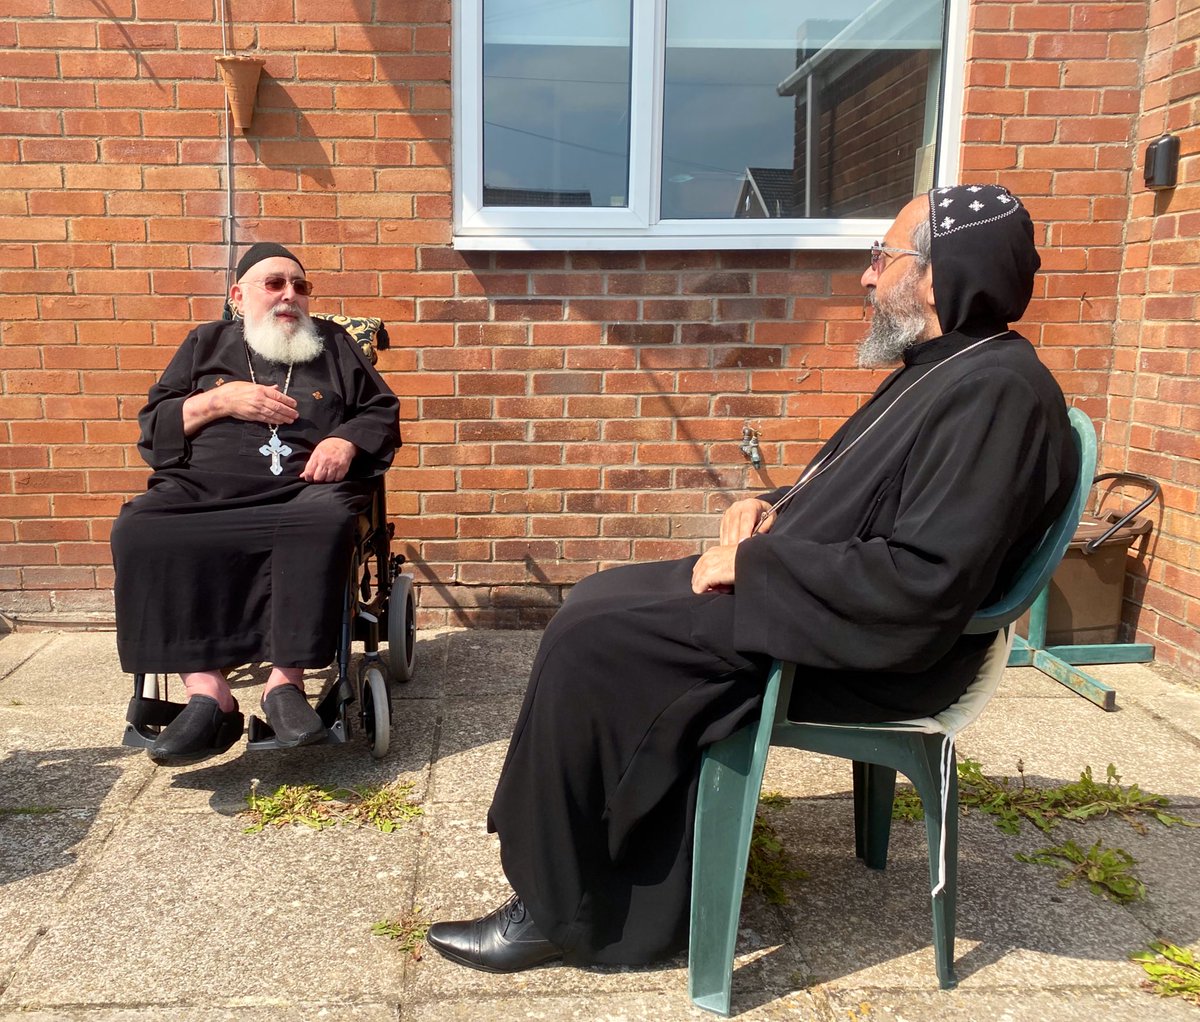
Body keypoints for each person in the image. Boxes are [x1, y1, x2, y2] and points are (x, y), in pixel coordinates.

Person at [426, 185, 1080, 972]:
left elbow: (926, 577)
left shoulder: (997, 392)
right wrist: (767, 509)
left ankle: (569, 912)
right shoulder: (945, 368)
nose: (868, 279)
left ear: (938, 278)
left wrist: (760, 564)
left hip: (875, 649)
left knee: (593, 638)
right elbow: (857, 496)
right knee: (600, 596)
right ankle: (579, 863)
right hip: (816, 598)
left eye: (883, 257)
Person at [110, 243, 401, 765]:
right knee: (140, 527)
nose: (290, 295)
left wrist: (346, 440)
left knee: (325, 522)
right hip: (204, 491)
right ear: (238, 295)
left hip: (303, 491)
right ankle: (207, 692)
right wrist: (219, 400)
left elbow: (380, 409)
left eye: (300, 286)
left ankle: (283, 684)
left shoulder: (332, 344)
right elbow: (154, 428)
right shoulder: (205, 343)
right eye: (275, 284)